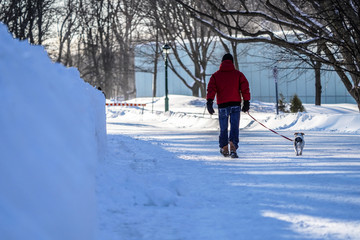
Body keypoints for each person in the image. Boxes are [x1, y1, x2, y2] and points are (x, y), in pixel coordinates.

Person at [206, 53, 251, 158]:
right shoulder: (238, 74)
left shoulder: (216, 75)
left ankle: (224, 147)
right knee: (234, 127)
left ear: (222, 62)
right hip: (235, 104)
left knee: (223, 128)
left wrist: (209, 102)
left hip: (222, 105)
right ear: (232, 62)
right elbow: (245, 88)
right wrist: (246, 102)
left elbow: (211, 89)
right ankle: (233, 146)